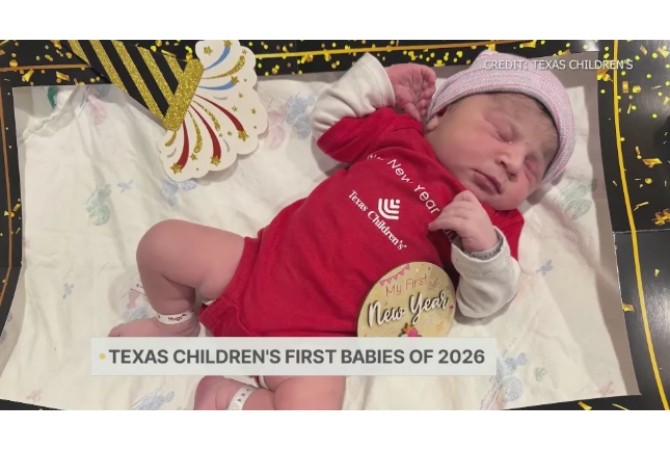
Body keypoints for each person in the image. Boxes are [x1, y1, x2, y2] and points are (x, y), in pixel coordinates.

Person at [108, 50, 575, 410]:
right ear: (439, 115)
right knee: (163, 243)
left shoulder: (495, 225)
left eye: (532, 168)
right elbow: (330, 122)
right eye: (503, 134)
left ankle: (228, 399)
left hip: (315, 344)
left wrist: (483, 251)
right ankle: (176, 323)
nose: (512, 161)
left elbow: (480, 303)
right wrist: (380, 82)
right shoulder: (399, 137)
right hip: (251, 268)